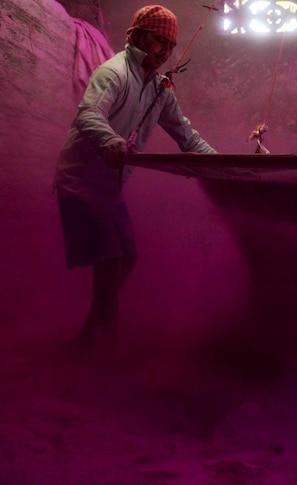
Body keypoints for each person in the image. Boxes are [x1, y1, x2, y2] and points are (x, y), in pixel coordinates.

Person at [53, 4, 216, 345]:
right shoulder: (113, 72)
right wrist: (111, 140)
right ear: (138, 36)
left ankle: (87, 339)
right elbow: (89, 114)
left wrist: (223, 166)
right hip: (81, 181)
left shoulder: (160, 89)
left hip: (109, 187)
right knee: (111, 260)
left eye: (171, 46)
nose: (166, 52)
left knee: (127, 258)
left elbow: (188, 138)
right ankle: (106, 347)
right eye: (159, 41)